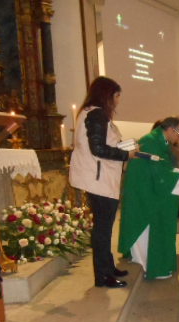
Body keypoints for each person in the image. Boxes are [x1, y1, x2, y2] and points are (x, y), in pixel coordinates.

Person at [69, 76, 135, 288]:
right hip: (99, 180)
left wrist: (124, 147)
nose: (118, 100)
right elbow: (98, 149)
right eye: (117, 95)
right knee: (103, 230)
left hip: (100, 179)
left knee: (104, 229)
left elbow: (103, 144)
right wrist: (126, 155)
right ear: (107, 95)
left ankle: (108, 267)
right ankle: (103, 276)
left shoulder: (92, 113)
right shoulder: (96, 114)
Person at [119, 116, 179, 279]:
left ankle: (153, 263)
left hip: (148, 191)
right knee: (151, 229)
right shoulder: (151, 142)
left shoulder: (159, 141)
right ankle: (151, 265)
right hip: (145, 196)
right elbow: (159, 174)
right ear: (170, 130)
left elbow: (162, 168)